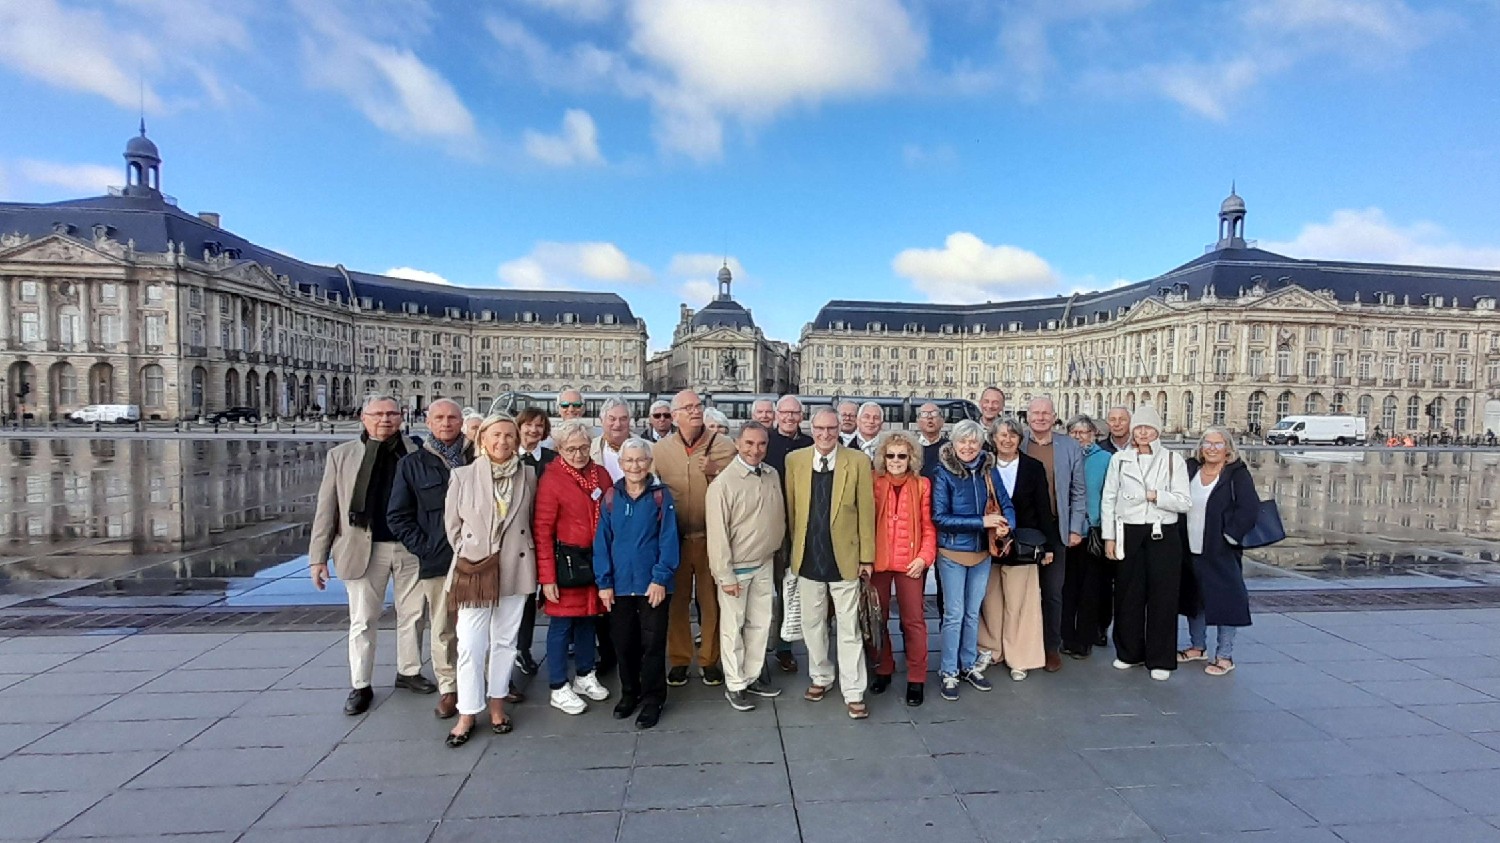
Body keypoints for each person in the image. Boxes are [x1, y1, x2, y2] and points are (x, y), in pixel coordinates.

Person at [309, 395, 429, 716]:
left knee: (413, 615)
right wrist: (317, 557)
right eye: (378, 414)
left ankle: (409, 671)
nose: (385, 419)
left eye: (391, 413)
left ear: (401, 417)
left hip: (410, 546)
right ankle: (361, 684)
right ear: (364, 418)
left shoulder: (418, 451)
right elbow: (326, 509)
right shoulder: (342, 455)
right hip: (363, 546)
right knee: (363, 620)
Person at [441, 413, 538, 745]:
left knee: (505, 642)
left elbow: (535, 519)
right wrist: (470, 549)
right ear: (482, 439)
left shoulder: (529, 476)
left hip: (515, 565)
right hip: (476, 568)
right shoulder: (463, 475)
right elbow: (452, 526)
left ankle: (497, 703)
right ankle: (468, 711)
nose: (503, 442)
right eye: (496, 435)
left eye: (510, 436)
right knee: (469, 644)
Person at [784, 408, 877, 719]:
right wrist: (792, 556)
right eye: (820, 429)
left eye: (831, 429)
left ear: (840, 429)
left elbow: (866, 512)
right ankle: (821, 676)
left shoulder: (858, 461)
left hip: (845, 558)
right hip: (809, 556)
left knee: (849, 628)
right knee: (812, 625)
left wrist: (867, 557)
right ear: (812, 428)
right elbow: (793, 512)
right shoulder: (795, 461)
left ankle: (853, 690)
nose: (825, 434)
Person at [387, 398, 471, 719]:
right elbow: (398, 515)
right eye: (439, 417)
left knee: (478, 625)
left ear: (461, 421)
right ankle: (448, 689)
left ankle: (484, 683)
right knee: (443, 627)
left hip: (478, 558)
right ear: (428, 421)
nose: (446, 423)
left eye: (452, 417)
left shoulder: (477, 457)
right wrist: (424, 548)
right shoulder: (412, 464)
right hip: (437, 560)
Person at [595, 438, 680, 729]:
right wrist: (604, 582)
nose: (635, 466)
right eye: (629, 461)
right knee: (624, 642)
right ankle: (630, 692)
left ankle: (653, 698)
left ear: (649, 462)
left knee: (653, 643)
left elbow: (669, 539)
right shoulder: (610, 497)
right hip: (619, 586)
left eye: (641, 460)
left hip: (651, 585)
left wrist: (660, 578)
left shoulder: (660, 496)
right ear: (620, 465)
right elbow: (602, 541)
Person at [1101, 405, 1190, 681]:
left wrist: (1156, 496)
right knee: (1128, 594)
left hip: (1162, 532)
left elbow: (1185, 502)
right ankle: (1129, 652)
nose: (1142, 433)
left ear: (1157, 431)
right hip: (1129, 530)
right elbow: (1109, 499)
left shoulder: (1174, 460)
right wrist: (1109, 537)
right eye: (1138, 428)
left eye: (1148, 428)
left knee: (1163, 597)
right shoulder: (1120, 460)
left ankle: (1161, 658)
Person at [654, 389, 737, 687]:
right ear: (674, 417)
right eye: (687, 408)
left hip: (711, 539)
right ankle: (678, 659)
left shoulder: (725, 447)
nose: (694, 411)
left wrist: (715, 472)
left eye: (697, 406)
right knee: (676, 603)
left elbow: (738, 490)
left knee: (710, 601)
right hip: (674, 540)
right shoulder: (660, 451)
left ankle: (709, 659)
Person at [931, 419, 1015, 701]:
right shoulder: (943, 473)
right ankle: (948, 670)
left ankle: (967, 665)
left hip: (982, 552)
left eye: (973, 442)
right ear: (953, 444)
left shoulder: (988, 470)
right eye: (962, 442)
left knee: (971, 612)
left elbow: (1005, 503)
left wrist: (1006, 525)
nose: (968, 447)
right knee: (954, 614)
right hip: (953, 552)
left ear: (981, 445)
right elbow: (940, 518)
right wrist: (982, 521)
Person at [533, 419, 613, 715]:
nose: (579, 454)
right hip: (565, 562)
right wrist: (547, 577)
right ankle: (557, 685)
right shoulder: (552, 479)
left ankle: (584, 674)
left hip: (596, 559)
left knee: (588, 619)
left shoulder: (600, 474)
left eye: (583, 448)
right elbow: (542, 530)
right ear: (559, 449)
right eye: (571, 449)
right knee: (561, 625)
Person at [706, 421, 787, 711]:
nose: (756, 450)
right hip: (737, 568)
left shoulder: (771, 474)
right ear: (738, 444)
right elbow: (717, 535)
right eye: (750, 444)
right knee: (733, 627)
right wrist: (724, 574)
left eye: (761, 444)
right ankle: (735, 683)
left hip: (764, 562)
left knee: (761, 623)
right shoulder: (723, 484)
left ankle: (752, 675)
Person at [1179, 427, 1259, 677]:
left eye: (1218, 444)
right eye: (1207, 443)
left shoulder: (1237, 474)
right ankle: (1197, 646)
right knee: (1194, 598)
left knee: (1227, 601)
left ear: (1228, 449)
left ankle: (1224, 655)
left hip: (1220, 548)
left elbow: (1249, 508)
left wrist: (1230, 536)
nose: (1212, 448)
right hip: (1189, 545)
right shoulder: (1190, 468)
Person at [975, 417, 1048, 682]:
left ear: (1020, 439)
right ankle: (992, 649)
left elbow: (1043, 508)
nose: (1007, 440)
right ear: (993, 438)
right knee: (991, 601)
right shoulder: (981, 467)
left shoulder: (1033, 467)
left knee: (1021, 603)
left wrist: (1046, 545)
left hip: (1023, 544)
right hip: (990, 543)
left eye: (1013, 435)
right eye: (1002, 435)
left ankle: (1020, 657)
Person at [1021, 396, 1088, 672]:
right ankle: (1024, 645)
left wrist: (1075, 528)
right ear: (1027, 416)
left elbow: (1078, 491)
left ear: (1054, 416)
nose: (1040, 417)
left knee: (1052, 592)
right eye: (1035, 413)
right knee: (1022, 592)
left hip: (1057, 528)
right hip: (1024, 529)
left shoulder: (1070, 446)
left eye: (1045, 413)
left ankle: (1051, 647)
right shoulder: (1018, 442)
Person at [869, 430, 935, 706]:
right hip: (878, 563)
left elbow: (928, 525)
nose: (896, 460)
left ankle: (917, 677)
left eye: (902, 456)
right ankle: (884, 667)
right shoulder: (874, 482)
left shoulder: (921, 485)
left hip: (910, 563)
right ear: (883, 457)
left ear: (912, 458)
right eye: (891, 455)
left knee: (914, 621)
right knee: (877, 619)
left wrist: (924, 557)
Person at [763, 394, 812, 674]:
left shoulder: (809, 444)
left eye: (795, 413)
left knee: (787, 589)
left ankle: (784, 647)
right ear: (776, 414)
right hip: (768, 523)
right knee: (760, 588)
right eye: (785, 412)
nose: (790, 417)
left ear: (801, 417)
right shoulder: (765, 442)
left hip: (798, 525)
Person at [512, 406, 556, 677]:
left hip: (546, 535)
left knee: (544, 593)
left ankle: (534, 646)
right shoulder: (508, 457)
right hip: (517, 538)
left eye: (539, 426)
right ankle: (519, 648)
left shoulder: (552, 458)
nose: (533, 430)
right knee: (522, 597)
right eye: (528, 425)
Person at [1067, 414, 1115, 655]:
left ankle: (1085, 639)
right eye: (1074, 432)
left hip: (1094, 531)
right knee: (1068, 588)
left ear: (1094, 434)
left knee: (1091, 589)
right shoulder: (1065, 456)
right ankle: (1066, 636)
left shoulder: (1106, 459)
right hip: (1068, 530)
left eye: (1084, 432)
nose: (1079, 437)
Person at [591, 396, 633, 482]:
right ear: (601, 420)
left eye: (623, 419)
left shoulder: (649, 448)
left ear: (629, 421)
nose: (617, 424)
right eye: (612, 419)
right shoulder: (589, 449)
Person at [915, 402, 948, 480]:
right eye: (924, 414)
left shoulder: (950, 448)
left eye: (934, 414)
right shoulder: (911, 447)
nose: (930, 417)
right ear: (918, 422)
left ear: (942, 421)